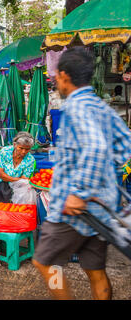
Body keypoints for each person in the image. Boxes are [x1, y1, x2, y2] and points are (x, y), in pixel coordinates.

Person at [32, 47, 131, 300]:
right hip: (102, 208)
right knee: (95, 270)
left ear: (64, 76)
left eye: (56, 77)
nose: (56, 81)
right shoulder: (101, 106)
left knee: (46, 262)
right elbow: (125, 144)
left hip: (74, 209)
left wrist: (80, 192)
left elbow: (95, 147)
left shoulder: (76, 107)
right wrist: (107, 178)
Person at [0, 132, 35, 203]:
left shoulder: (30, 160)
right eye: (21, 148)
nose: (23, 152)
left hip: (14, 186)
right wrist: (16, 179)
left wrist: (16, 181)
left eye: (27, 149)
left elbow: (24, 179)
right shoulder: (5, 151)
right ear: (14, 145)